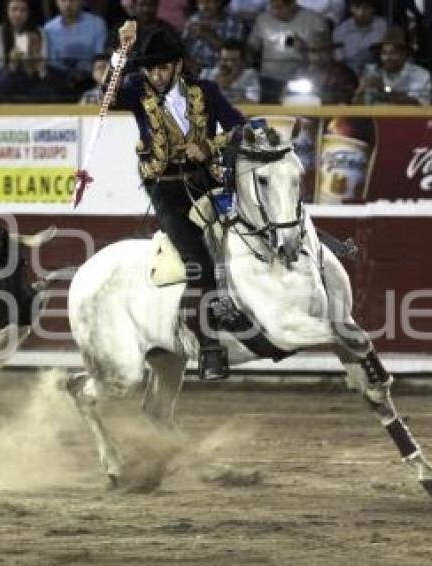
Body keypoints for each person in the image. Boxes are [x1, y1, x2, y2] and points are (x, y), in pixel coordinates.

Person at [109, 23, 246, 380]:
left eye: (163, 67)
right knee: (197, 259)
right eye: (150, 68)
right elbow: (105, 99)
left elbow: (239, 128)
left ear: (178, 65)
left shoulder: (207, 91)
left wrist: (210, 146)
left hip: (207, 183)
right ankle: (210, 348)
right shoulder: (136, 92)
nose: (156, 74)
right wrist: (122, 52)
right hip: (166, 191)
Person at [247, 0, 328, 86]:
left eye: (278, 8)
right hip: (268, 78)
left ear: (293, 4)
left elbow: (324, 55)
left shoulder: (314, 21)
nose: (274, 12)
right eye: (272, 7)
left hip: (301, 80)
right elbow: (252, 47)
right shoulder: (262, 20)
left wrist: (305, 48)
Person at [0, 27, 73, 102]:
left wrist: (42, 74)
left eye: (33, 42)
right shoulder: (6, 73)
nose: (29, 46)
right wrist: (12, 67)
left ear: (40, 46)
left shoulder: (57, 75)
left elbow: (59, 99)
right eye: (25, 43)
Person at [352, 26, 432, 106]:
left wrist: (385, 89)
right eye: (384, 53)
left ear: (404, 54)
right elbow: (357, 104)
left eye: (393, 52)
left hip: (409, 118)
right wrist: (359, 91)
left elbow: (416, 103)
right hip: (379, 117)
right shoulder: (375, 72)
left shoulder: (420, 74)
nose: (387, 58)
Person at [0, 0, 46, 81]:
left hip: (33, 81)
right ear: (7, 11)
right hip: (5, 82)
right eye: (14, 9)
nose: (18, 14)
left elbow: (43, 67)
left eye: (23, 10)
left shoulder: (39, 32)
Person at [182, 0, 247, 72]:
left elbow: (235, 54)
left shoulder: (234, 23)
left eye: (209, 2)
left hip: (220, 72)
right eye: (200, 3)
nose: (204, 7)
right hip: (192, 70)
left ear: (219, 2)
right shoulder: (193, 20)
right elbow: (182, 49)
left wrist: (211, 35)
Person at [332, 0, 387, 75]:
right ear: (351, 9)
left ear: (373, 9)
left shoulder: (383, 27)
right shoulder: (340, 31)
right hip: (347, 73)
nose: (361, 12)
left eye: (366, 8)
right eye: (357, 8)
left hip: (375, 71)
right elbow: (338, 60)